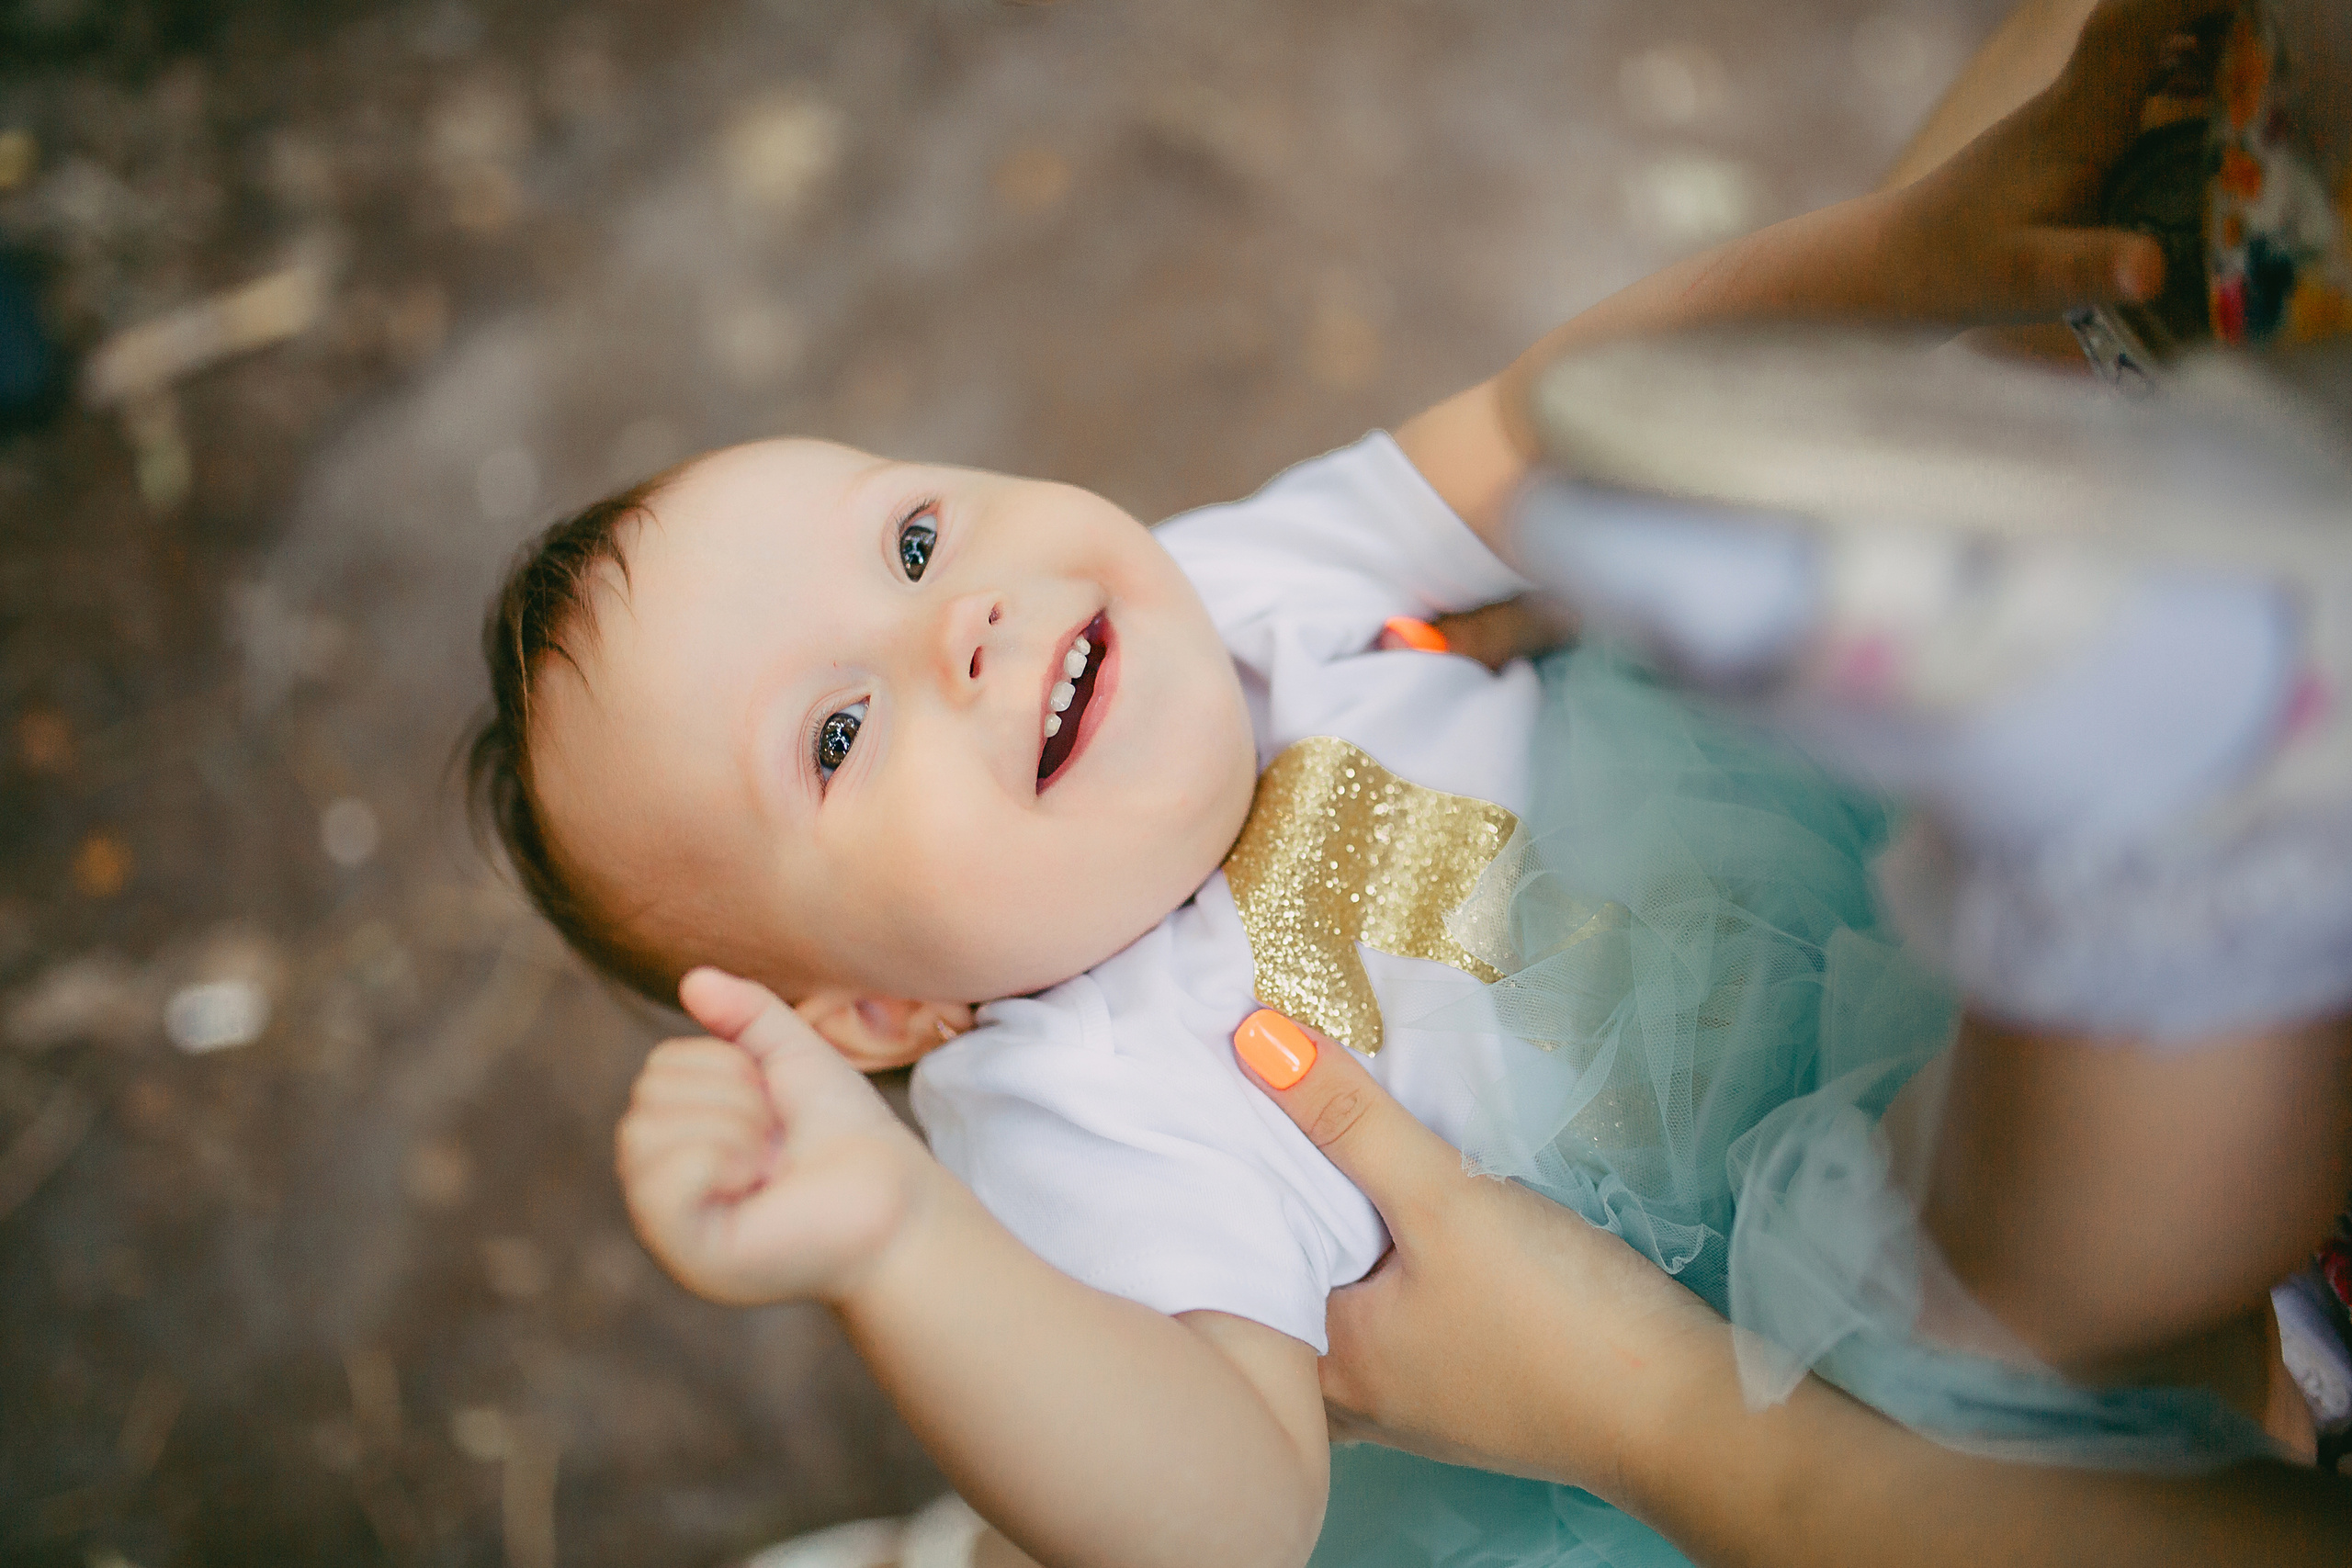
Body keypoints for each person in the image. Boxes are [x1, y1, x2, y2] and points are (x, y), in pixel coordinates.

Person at [462, 3, 2324, 1565]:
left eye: (915, 532)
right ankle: (2173, 808)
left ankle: (2102, 709)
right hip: (1816, 1315)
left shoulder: (1223, 591)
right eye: (837, 735)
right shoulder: (1075, 1096)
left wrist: (1900, 254)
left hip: (1861, 815)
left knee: (1732, 486)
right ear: (882, 1006)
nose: (951, 625)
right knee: (2009, 1242)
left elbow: (1539, 420)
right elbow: (1221, 1508)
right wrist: (900, 1246)